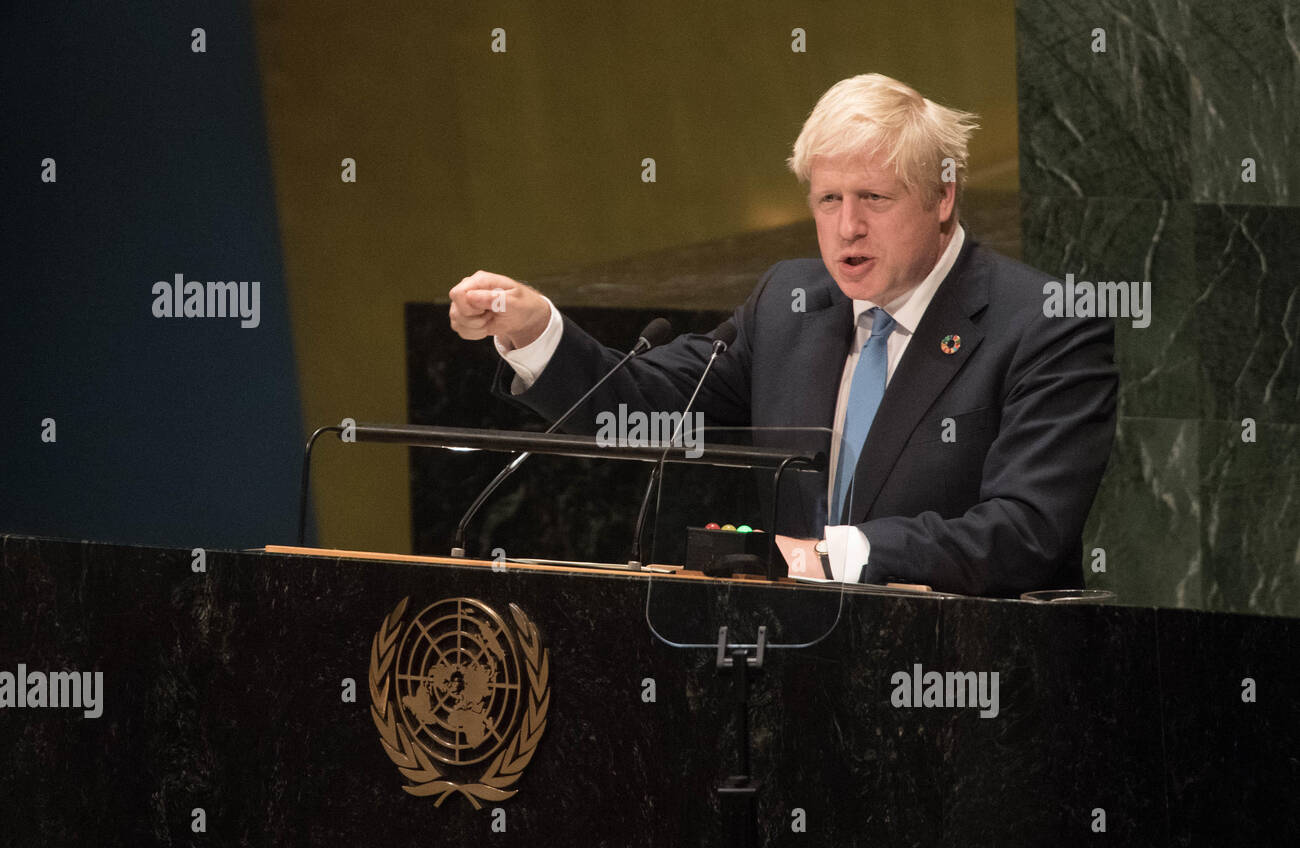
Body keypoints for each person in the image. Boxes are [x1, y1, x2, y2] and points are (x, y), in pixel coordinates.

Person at [448, 74, 1118, 597]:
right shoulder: (792, 304)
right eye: (829, 200)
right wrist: (539, 335)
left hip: (967, 690)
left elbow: (1029, 530)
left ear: (943, 198)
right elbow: (648, 411)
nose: (847, 226)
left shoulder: (1044, 323)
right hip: (798, 682)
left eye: (874, 199)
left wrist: (844, 555)